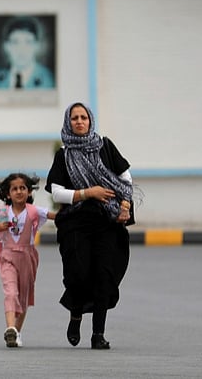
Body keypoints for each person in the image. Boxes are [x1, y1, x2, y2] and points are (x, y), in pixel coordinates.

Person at [45, 102, 134, 350]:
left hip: (106, 221)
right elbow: (57, 192)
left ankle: (98, 334)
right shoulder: (63, 155)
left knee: (103, 275)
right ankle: (75, 315)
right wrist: (88, 193)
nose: (79, 122)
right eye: (74, 118)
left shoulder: (105, 146)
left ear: (90, 120)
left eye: (83, 117)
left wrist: (125, 205)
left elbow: (125, 178)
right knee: (78, 274)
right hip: (76, 222)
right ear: (68, 122)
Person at [0, 173, 56, 348]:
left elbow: (54, 216)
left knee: (24, 296)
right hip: (8, 256)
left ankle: (16, 333)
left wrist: (72, 209)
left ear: (29, 191)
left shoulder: (33, 211)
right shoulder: (4, 212)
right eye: (14, 189)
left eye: (23, 188)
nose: (19, 192)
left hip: (28, 257)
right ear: (8, 193)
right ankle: (10, 328)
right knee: (11, 293)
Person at [0, 16, 55, 90]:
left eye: (28, 42)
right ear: (6, 46)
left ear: (37, 46)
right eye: (15, 42)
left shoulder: (51, 80)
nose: (21, 49)